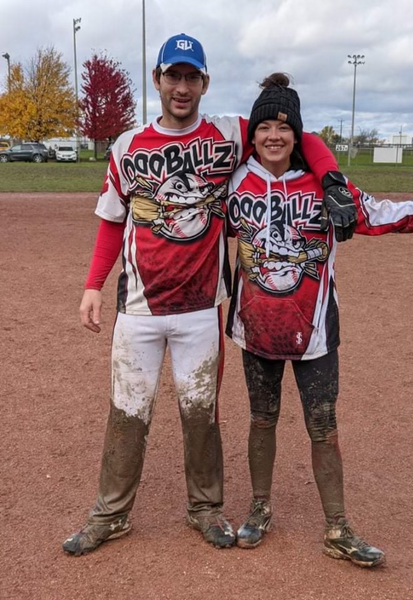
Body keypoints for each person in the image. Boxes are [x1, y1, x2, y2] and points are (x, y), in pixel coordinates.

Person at [62, 34, 354, 557]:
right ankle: (110, 514)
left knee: (202, 412)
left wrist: (330, 176)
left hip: (201, 307)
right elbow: (111, 223)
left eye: (191, 76)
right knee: (128, 410)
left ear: (204, 83)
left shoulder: (226, 134)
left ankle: (205, 509)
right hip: (138, 306)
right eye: (172, 76)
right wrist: (92, 286)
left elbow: (290, 131)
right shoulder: (128, 146)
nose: (181, 86)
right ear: (157, 80)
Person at [225, 72, 413, 567]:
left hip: (315, 333)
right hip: (255, 328)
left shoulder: (331, 188)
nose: (273, 138)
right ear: (254, 133)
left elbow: (387, 215)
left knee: (322, 426)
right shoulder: (233, 182)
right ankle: (259, 509)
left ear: (299, 135)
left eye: (285, 129)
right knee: (262, 419)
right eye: (264, 128)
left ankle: (338, 527)